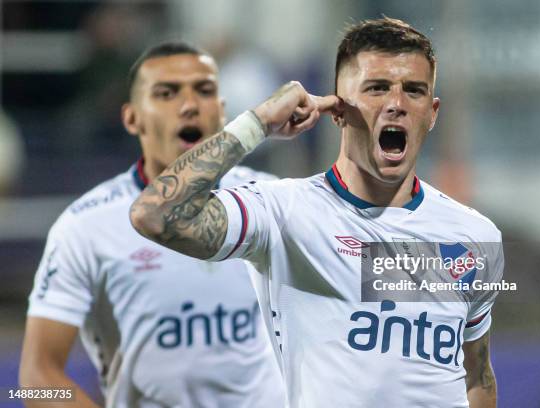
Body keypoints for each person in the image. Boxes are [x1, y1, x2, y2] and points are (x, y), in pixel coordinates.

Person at [131, 18, 503, 408]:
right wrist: (257, 124)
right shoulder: (283, 213)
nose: (396, 104)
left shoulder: (474, 235)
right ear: (338, 109)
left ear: (432, 112)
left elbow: (476, 374)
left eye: (414, 91)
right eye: (377, 88)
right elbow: (155, 215)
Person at [20, 42, 285, 408]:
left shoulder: (271, 199)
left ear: (223, 111)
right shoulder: (85, 226)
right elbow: (34, 382)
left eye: (204, 90)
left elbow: (374, 273)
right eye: (166, 93)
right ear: (132, 118)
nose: (189, 104)